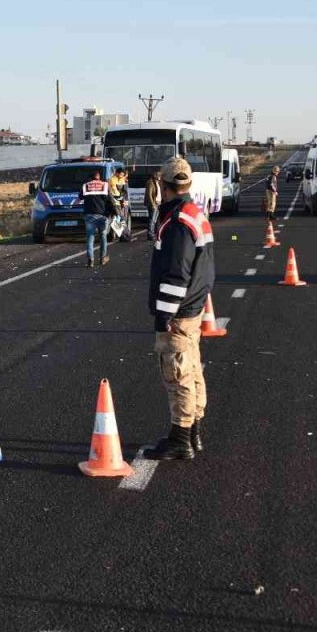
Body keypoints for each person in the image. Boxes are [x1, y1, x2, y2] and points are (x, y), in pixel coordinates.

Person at [145, 156, 216, 461]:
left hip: (180, 311)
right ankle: (193, 432)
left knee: (177, 374)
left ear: (164, 184)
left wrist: (164, 316)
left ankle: (181, 438)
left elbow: (176, 274)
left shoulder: (177, 222)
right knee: (192, 369)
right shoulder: (195, 212)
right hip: (194, 305)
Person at [81, 169, 117, 269]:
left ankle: (90, 260)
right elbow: (110, 199)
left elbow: (80, 197)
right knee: (103, 236)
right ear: (99, 177)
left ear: (91, 177)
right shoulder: (105, 185)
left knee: (90, 238)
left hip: (89, 215)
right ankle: (103, 258)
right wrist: (115, 212)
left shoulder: (86, 185)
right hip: (102, 215)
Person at [110, 167, 132, 241]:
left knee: (122, 219)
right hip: (116, 203)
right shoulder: (112, 180)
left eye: (123, 175)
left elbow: (124, 191)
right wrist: (121, 200)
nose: (122, 176)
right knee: (120, 219)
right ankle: (125, 235)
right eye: (121, 174)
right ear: (117, 173)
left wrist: (124, 201)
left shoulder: (122, 179)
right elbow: (115, 193)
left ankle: (123, 235)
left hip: (122, 202)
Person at [143, 169, 163, 245]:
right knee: (152, 219)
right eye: (159, 176)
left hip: (158, 202)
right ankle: (150, 234)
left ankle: (154, 233)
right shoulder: (150, 182)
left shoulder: (158, 182)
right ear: (156, 176)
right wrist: (152, 204)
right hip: (154, 203)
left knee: (155, 219)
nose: (160, 177)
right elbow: (149, 194)